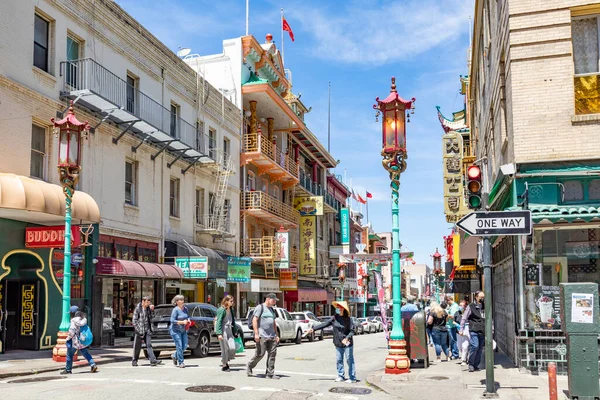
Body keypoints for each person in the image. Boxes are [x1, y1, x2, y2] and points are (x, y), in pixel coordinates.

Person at [307, 301, 356, 383]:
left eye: (340, 307)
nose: (338, 309)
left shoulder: (348, 319)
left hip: (347, 343)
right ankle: (341, 376)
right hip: (338, 342)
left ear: (344, 309)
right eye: (337, 307)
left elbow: (352, 331)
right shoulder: (334, 318)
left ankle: (352, 377)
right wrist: (314, 329)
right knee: (339, 360)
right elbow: (325, 324)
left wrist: (347, 338)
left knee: (349, 360)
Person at [246, 293, 280, 379]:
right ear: (268, 299)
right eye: (274, 300)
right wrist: (256, 333)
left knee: (272, 355)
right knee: (260, 354)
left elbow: (274, 322)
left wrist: (276, 334)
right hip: (262, 336)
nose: (275, 302)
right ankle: (250, 365)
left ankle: (270, 373)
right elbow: (254, 320)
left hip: (272, 336)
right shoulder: (260, 308)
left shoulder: (272, 309)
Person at [61, 306, 98, 375]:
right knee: (85, 353)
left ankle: (68, 370)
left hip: (75, 342)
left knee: (69, 355)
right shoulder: (83, 319)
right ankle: (93, 364)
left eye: (71, 313)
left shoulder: (73, 321)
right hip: (82, 341)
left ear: (73, 313)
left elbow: (72, 332)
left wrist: (67, 338)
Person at [132, 296, 161, 367]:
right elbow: (134, 320)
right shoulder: (138, 309)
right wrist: (138, 329)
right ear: (143, 301)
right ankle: (134, 360)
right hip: (139, 330)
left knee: (149, 345)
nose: (148, 303)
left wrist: (152, 310)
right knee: (137, 346)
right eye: (147, 302)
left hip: (147, 330)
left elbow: (152, 317)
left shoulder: (148, 309)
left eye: (149, 302)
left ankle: (153, 360)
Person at [460, 291, 485, 372]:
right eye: (481, 297)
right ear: (476, 297)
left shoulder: (485, 305)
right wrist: (461, 329)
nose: (482, 299)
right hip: (474, 329)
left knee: (480, 348)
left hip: (483, 330)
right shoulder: (471, 306)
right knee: (475, 346)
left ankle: (476, 365)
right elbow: (464, 317)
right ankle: (471, 363)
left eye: (483, 297)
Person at [216, 295, 241, 371]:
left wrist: (235, 332)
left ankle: (225, 360)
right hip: (223, 329)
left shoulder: (231, 310)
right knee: (224, 348)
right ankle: (224, 364)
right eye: (231, 301)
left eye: (232, 301)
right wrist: (219, 333)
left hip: (230, 329)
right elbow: (219, 321)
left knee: (232, 348)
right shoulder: (221, 309)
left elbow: (233, 321)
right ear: (226, 301)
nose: (232, 302)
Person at [169, 295, 190, 368]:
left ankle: (174, 355)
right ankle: (181, 362)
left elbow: (187, 317)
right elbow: (172, 320)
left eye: (182, 300)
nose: (182, 301)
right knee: (179, 346)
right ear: (177, 302)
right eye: (180, 300)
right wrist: (182, 322)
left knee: (184, 346)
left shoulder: (185, 309)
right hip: (175, 330)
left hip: (183, 330)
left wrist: (188, 320)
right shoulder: (175, 310)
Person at [445, 295, 460, 360]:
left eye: (447, 301)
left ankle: (455, 354)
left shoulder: (454, 306)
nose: (447, 303)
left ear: (449, 300)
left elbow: (453, 316)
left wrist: (446, 316)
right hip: (451, 325)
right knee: (452, 340)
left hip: (452, 325)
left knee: (453, 340)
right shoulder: (453, 306)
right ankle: (454, 353)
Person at [456, 300, 470, 366]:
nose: (461, 307)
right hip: (459, 331)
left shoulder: (469, 312)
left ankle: (464, 359)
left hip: (467, 329)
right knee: (459, 346)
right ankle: (465, 356)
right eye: (460, 305)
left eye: (463, 305)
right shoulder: (457, 313)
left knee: (465, 345)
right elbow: (455, 321)